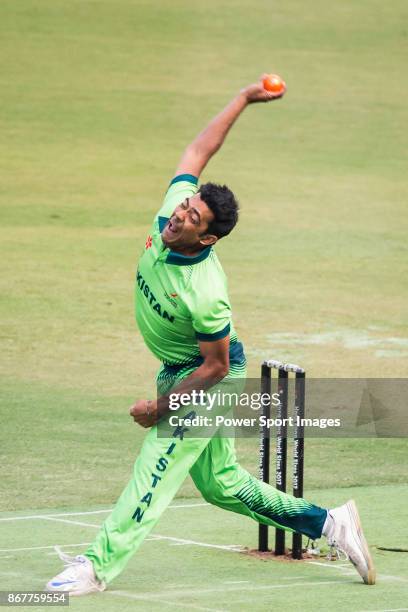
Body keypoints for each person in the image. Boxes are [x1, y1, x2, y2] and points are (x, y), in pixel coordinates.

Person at [46, 75, 375, 595]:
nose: (178, 217)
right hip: (182, 369)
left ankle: (94, 567)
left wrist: (160, 408)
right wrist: (243, 98)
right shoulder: (171, 208)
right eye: (184, 207)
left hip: (207, 378)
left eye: (191, 217)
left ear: (210, 236)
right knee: (221, 485)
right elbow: (199, 149)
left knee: (156, 465)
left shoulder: (206, 289)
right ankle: (330, 523)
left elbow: (217, 365)